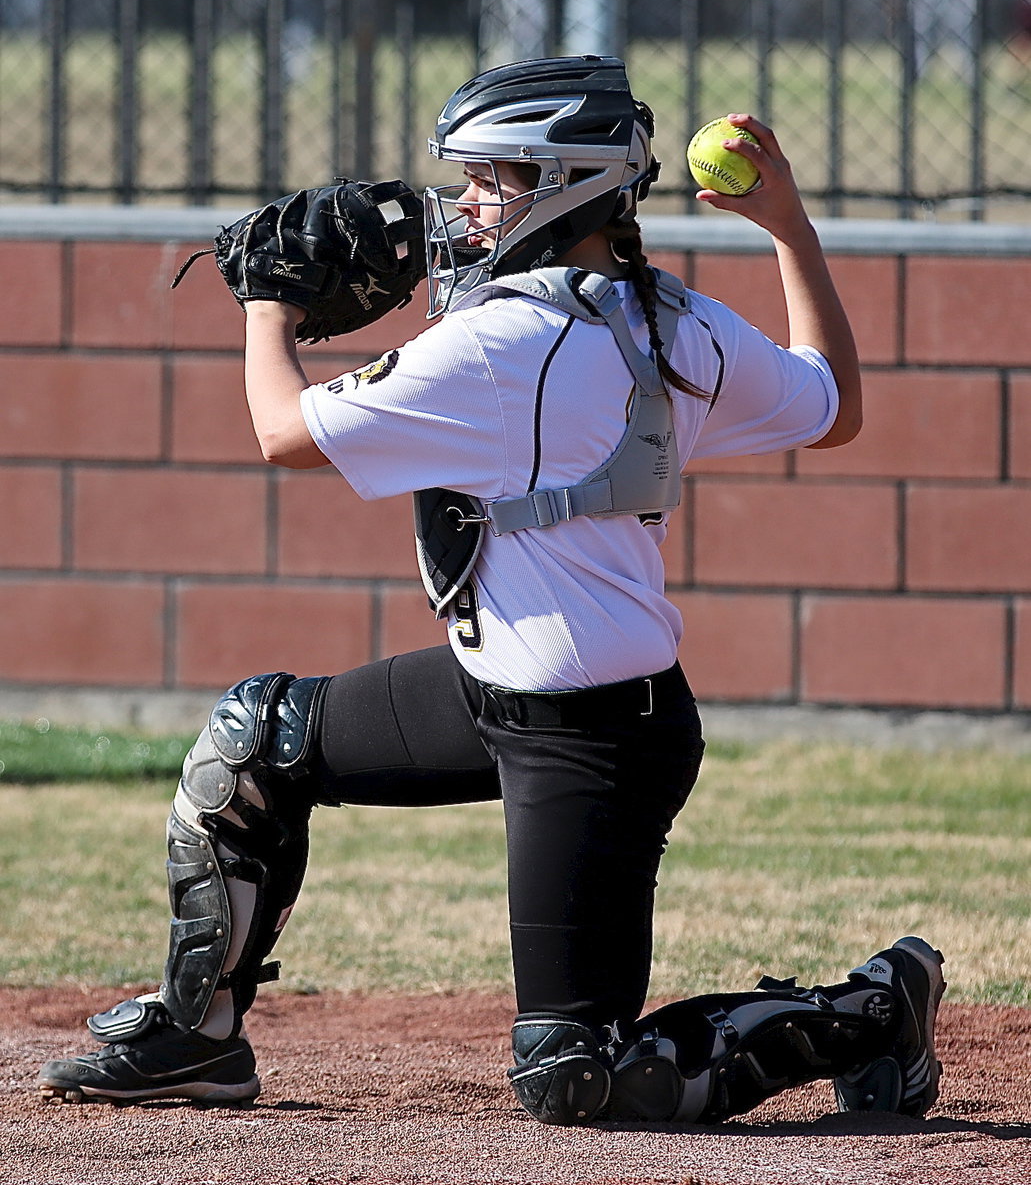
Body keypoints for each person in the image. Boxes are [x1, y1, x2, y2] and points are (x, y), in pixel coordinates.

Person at [37, 55, 945, 1125]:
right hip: (493, 693)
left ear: (564, 185)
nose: (466, 205)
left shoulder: (508, 338)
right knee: (254, 742)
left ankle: (876, 1010)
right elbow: (832, 404)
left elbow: (282, 432)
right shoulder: (665, 314)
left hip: (593, 738)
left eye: (494, 179)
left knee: (575, 1076)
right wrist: (787, 229)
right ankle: (195, 1039)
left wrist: (267, 304)